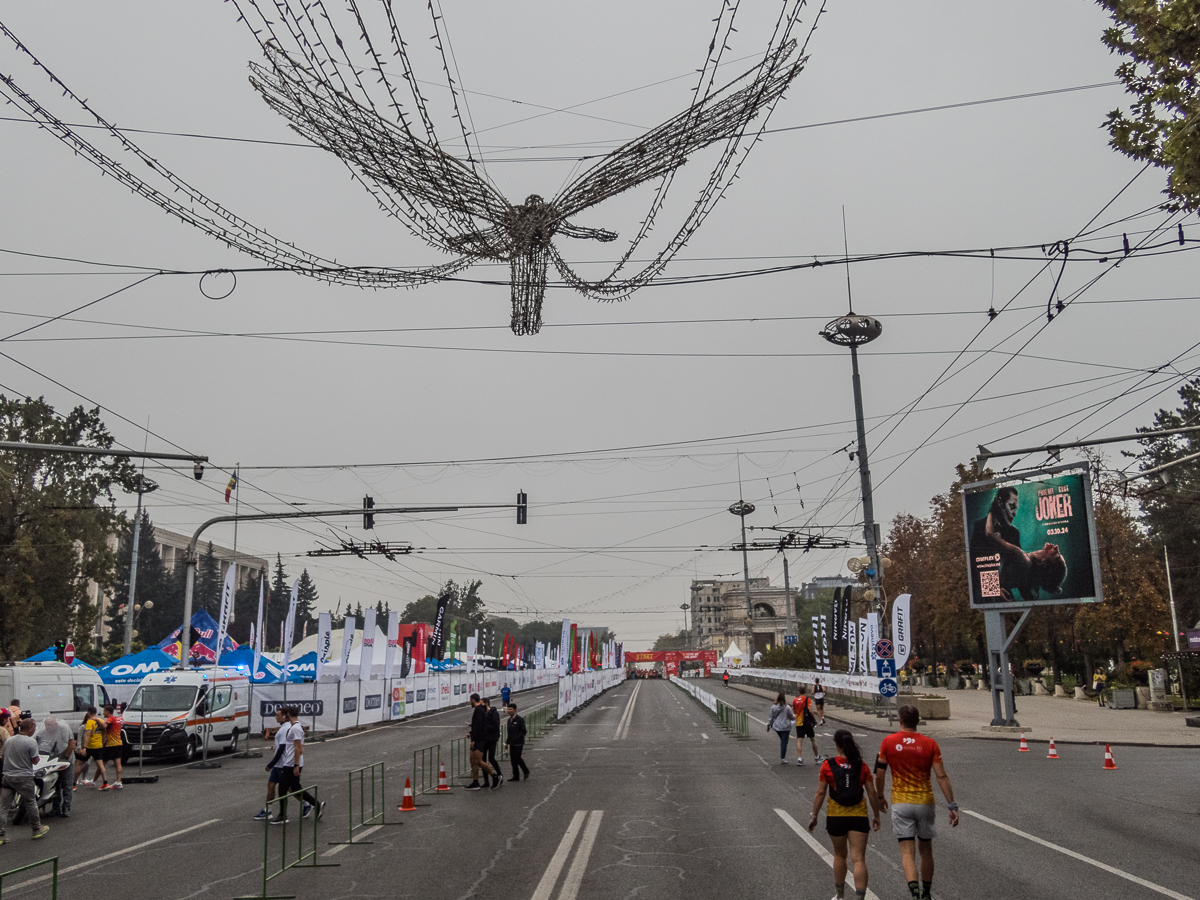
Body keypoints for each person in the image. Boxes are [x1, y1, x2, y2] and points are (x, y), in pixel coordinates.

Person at [874, 705, 959, 900]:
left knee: (907, 852)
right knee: (926, 849)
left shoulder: (888, 742)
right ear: (918, 721)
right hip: (925, 802)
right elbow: (942, 776)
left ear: (900, 720)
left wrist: (880, 797)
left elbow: (880, 772)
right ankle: (927, 894)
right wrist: (951, 805)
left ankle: (915, 895)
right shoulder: (930, 744)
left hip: (901, 802)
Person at [808, 729, 882, 900]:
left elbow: (820, 793)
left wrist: (814, 816)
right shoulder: (861, 765)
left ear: (836, 744)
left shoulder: (828, 765)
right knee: (859, 859)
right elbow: (871, 793)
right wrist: (876, 815)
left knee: (840, 855)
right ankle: (860, 898)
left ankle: (840, 896)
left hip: (836, 816)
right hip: (858, 817)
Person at [0, 718, 50, 843]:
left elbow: (3, 758)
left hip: (7, 777)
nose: (34, 730)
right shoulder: (31, 742)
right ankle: (36, 829)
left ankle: (1, 834)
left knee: (3, 807)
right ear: (29, 728)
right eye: (34, 728)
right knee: (30, 803)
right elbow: (35, 760)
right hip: (24, 777)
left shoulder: (9, 741)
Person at [272, 708, 323, 824]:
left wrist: (295, 765)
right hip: (291, 763)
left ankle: (282, 815)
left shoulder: (295, 728)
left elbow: (297, 747)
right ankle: (316, 804)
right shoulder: (296, 727)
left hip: (291, 764)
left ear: (288, 714)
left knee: (282, 788)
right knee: (295, 787)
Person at [34, 716, 74, 818]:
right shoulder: (43, 732)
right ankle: (56, 808)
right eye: (47, 725)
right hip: (51, 760)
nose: (48, 727)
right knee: (55, 785)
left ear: (56, 724)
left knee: (66, 785)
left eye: (50, 725)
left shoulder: (64, 729)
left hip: (64, 759)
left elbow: (71, 742)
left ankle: (66, 807)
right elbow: (37, 742)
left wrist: (65, 757)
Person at [255, 709, 290, 820]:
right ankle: (268, 810)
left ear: (284, 716)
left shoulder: (286, 729)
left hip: (283, 764)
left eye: (277, 715)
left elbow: (282, 748)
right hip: (277, 765)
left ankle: (307, 803)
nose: (275, 717)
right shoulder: (283, 728)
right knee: (270, 785)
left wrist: (271, 764)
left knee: (290, 788)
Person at [464, 694, 497, 790]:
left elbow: (479, 727)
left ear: (473, 700)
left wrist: (473, 740)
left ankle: (495, 776)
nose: (470, 702)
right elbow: (476, 726)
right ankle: (475, 782)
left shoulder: (479, 710)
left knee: (479, 761)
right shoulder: (479, 710)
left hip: (479, 739)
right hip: (477, 737)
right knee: (473, 761)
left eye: (470, 700)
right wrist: (471, 733)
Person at [792, 685, 823, 766]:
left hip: (799, 722)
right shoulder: (807, 699)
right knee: (812, 739)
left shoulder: (795, 700)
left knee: (799, 740)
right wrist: (814, 719)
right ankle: (816, 757)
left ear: (799, 692)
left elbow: (794, 711)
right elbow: (810, 710)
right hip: (807, 722)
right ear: (805, 692)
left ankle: (799, 759)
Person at [98, 704, 124, 790]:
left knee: (102, 764)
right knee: (118, 763)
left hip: (111, 744)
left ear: (107, 712)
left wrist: (97, 720)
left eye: (104, 711)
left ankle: (99, 781)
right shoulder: (117, 719)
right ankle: (119, 781)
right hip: (119, 743)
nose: (103, 713)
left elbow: (105, 726)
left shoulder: (110, 718)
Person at [77, 707, 104, 787]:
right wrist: (79, 748)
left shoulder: (93, 726)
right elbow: (79, 737)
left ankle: (83, 778)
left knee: (87, 764)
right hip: (83, 747)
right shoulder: (83, 727)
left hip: (90, 747)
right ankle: (78, 779)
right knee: (82, 764)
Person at [767, 692, 795, 764]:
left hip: (777, 727)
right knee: (784, 742)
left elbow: (771, 717)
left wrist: (769, 725)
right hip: (786, 727)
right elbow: (791, 717)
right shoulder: (787, 707)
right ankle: (783, 758)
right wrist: (795, 716)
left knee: (783, 740)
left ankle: (783, 756)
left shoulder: (773, 707)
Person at [505, 702, 530, 782]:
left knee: (517, 758)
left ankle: (526, 771)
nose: (509, 711)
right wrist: (507, 742)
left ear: (515, 710)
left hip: (519, 743)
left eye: (510, 709)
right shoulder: (509, 720)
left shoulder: (519, 719)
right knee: (513, 760)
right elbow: (509, 732)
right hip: (512, 743)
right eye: (508, 709)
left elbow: (523, 731)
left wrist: (517, 737)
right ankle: (516, 776)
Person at [484, 698, 503, 789]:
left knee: (491, 758)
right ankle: (486, 781)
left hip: (492, 738)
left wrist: (485, 726)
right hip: (484, 739)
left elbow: (495, 726)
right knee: (482, 760)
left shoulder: (494, 713)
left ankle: (499, 775)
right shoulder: (483, 713)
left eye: (481, 703)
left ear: (486, 703)